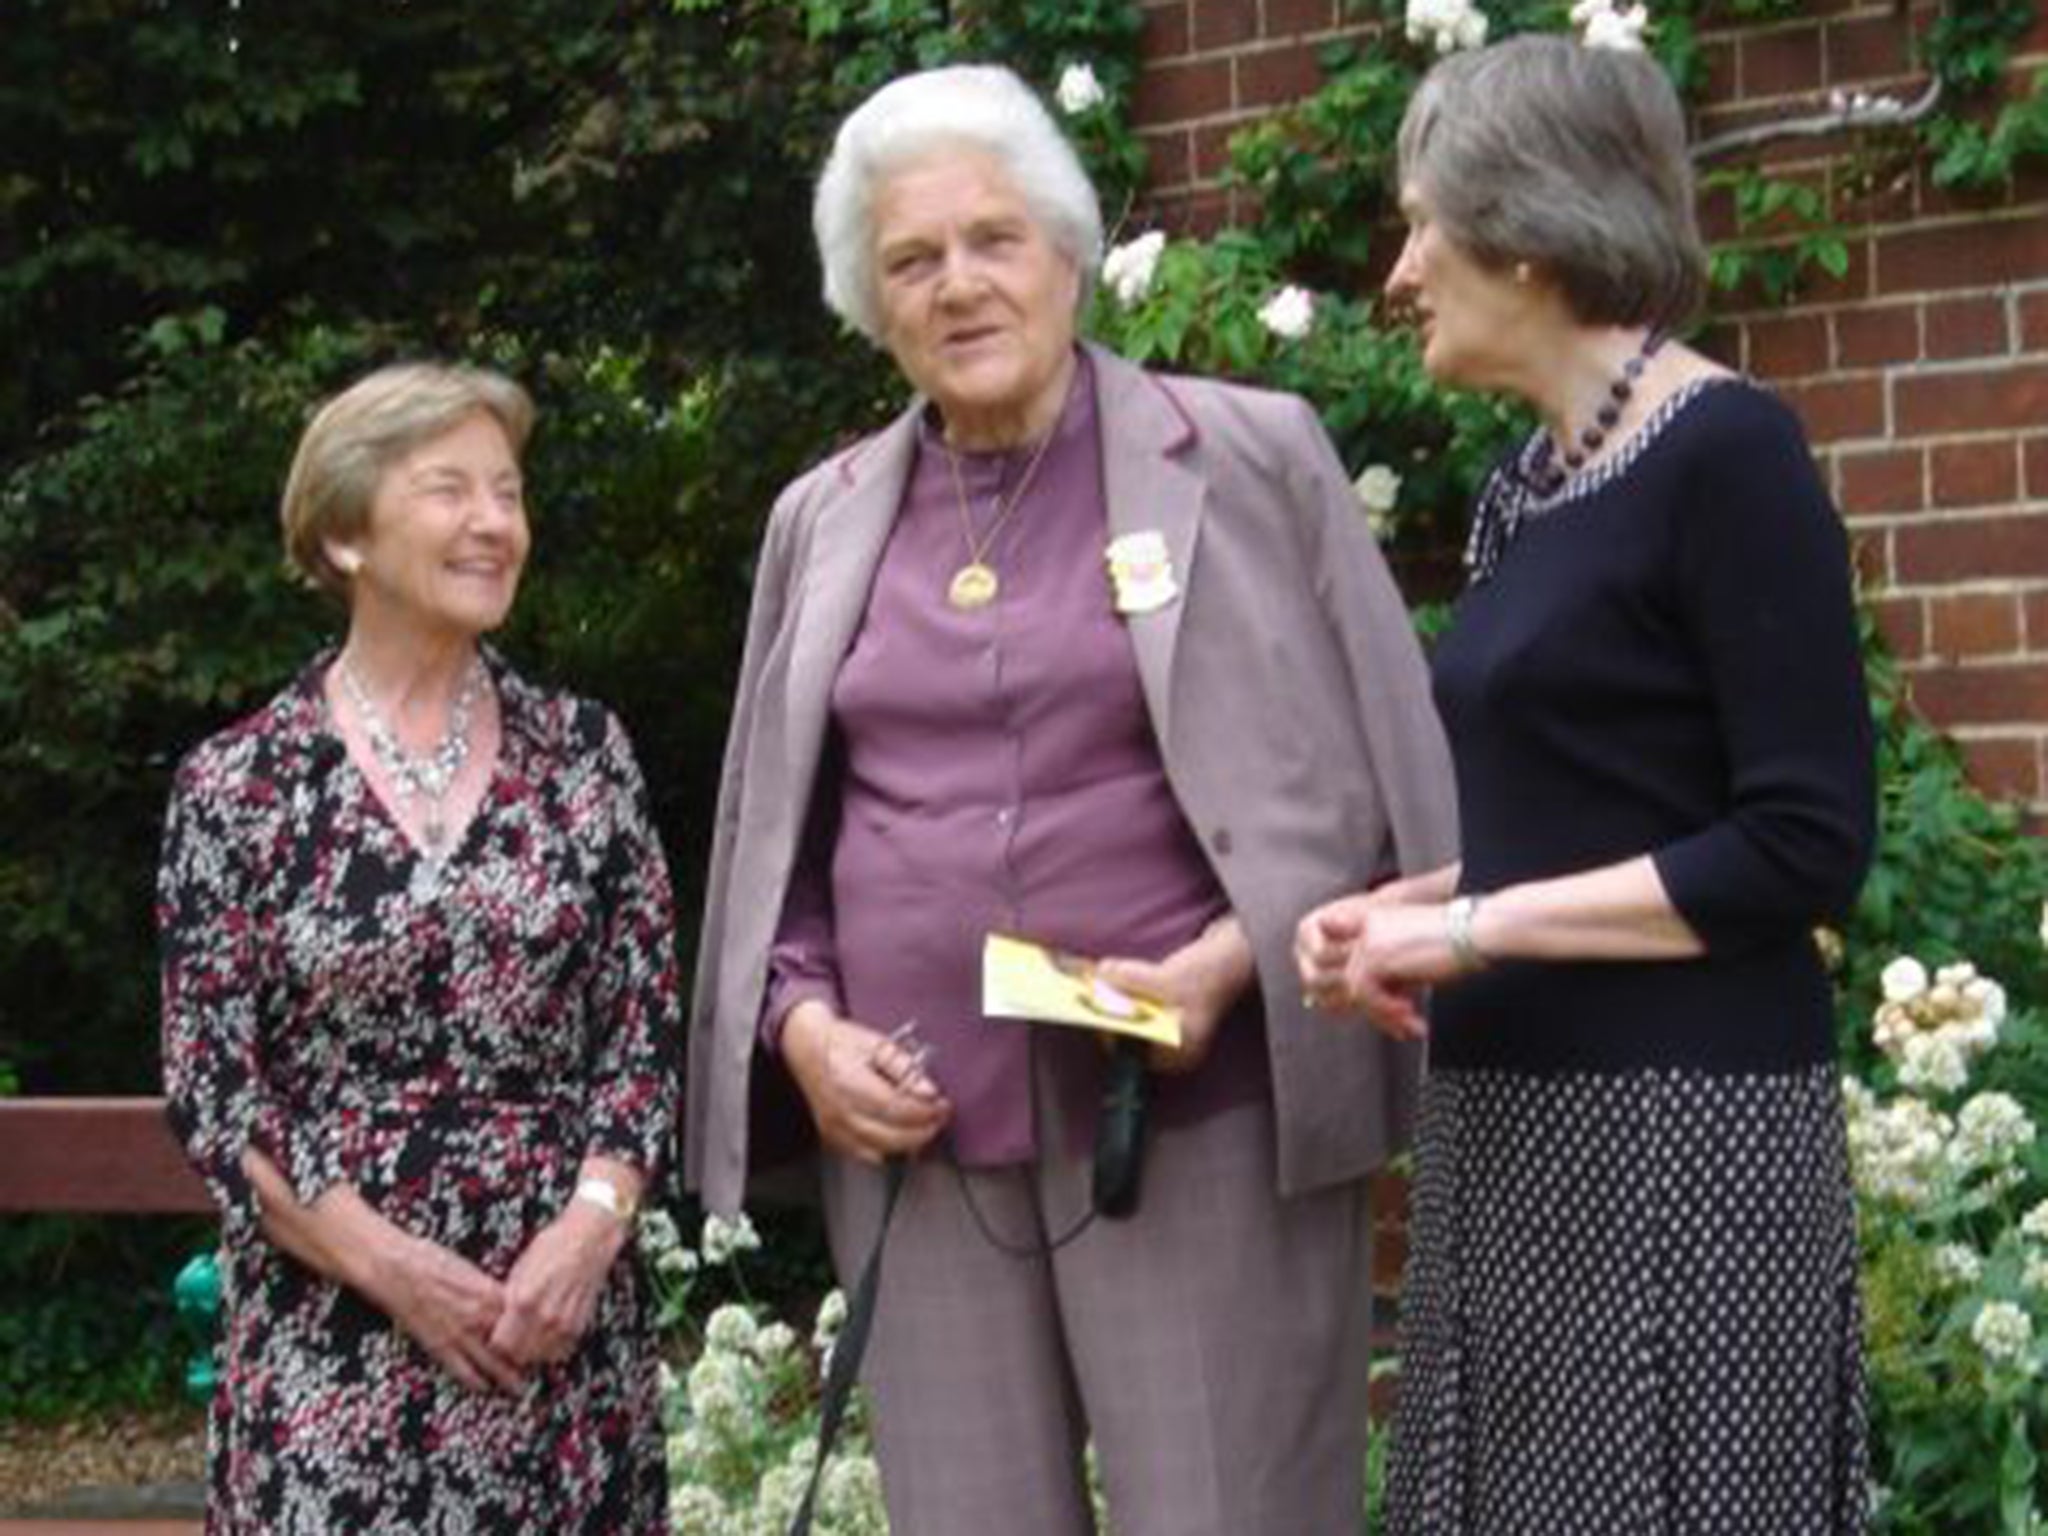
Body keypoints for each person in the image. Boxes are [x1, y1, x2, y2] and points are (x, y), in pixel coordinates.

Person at [685, 61, 1457, 1536]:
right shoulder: (822, 518)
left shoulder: (1249, 454)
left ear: (1066, 249)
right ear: (870, 298)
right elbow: (769, 839)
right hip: (919, 1133)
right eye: (913, 259)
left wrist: (1233, 963)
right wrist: (803, 1027)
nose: (960, 286)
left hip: (1196, 1118)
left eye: (993, 240)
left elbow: (1380, 778)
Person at [1295, 34, 1876, 1535]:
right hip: (1514, 1131)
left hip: (1685, 1137)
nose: (1403, 270)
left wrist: (1472, 932)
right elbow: (1561, 825)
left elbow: (1799, 846)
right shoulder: (1526, 488)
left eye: (1427, 221)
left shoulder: (1730, 453)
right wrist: (1396, 913)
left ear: (1532, 234)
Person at [158, 363, 679, 1534]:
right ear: (345, 533)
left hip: (553, 1334)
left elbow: (643, 1036)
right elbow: (215, 1089)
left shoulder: (585, 754)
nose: (494, 523)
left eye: (508, 492)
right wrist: (391, 1269)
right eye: (450, 490)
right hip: (329, 1334)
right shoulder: (239, 786)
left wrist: (592, 1228)